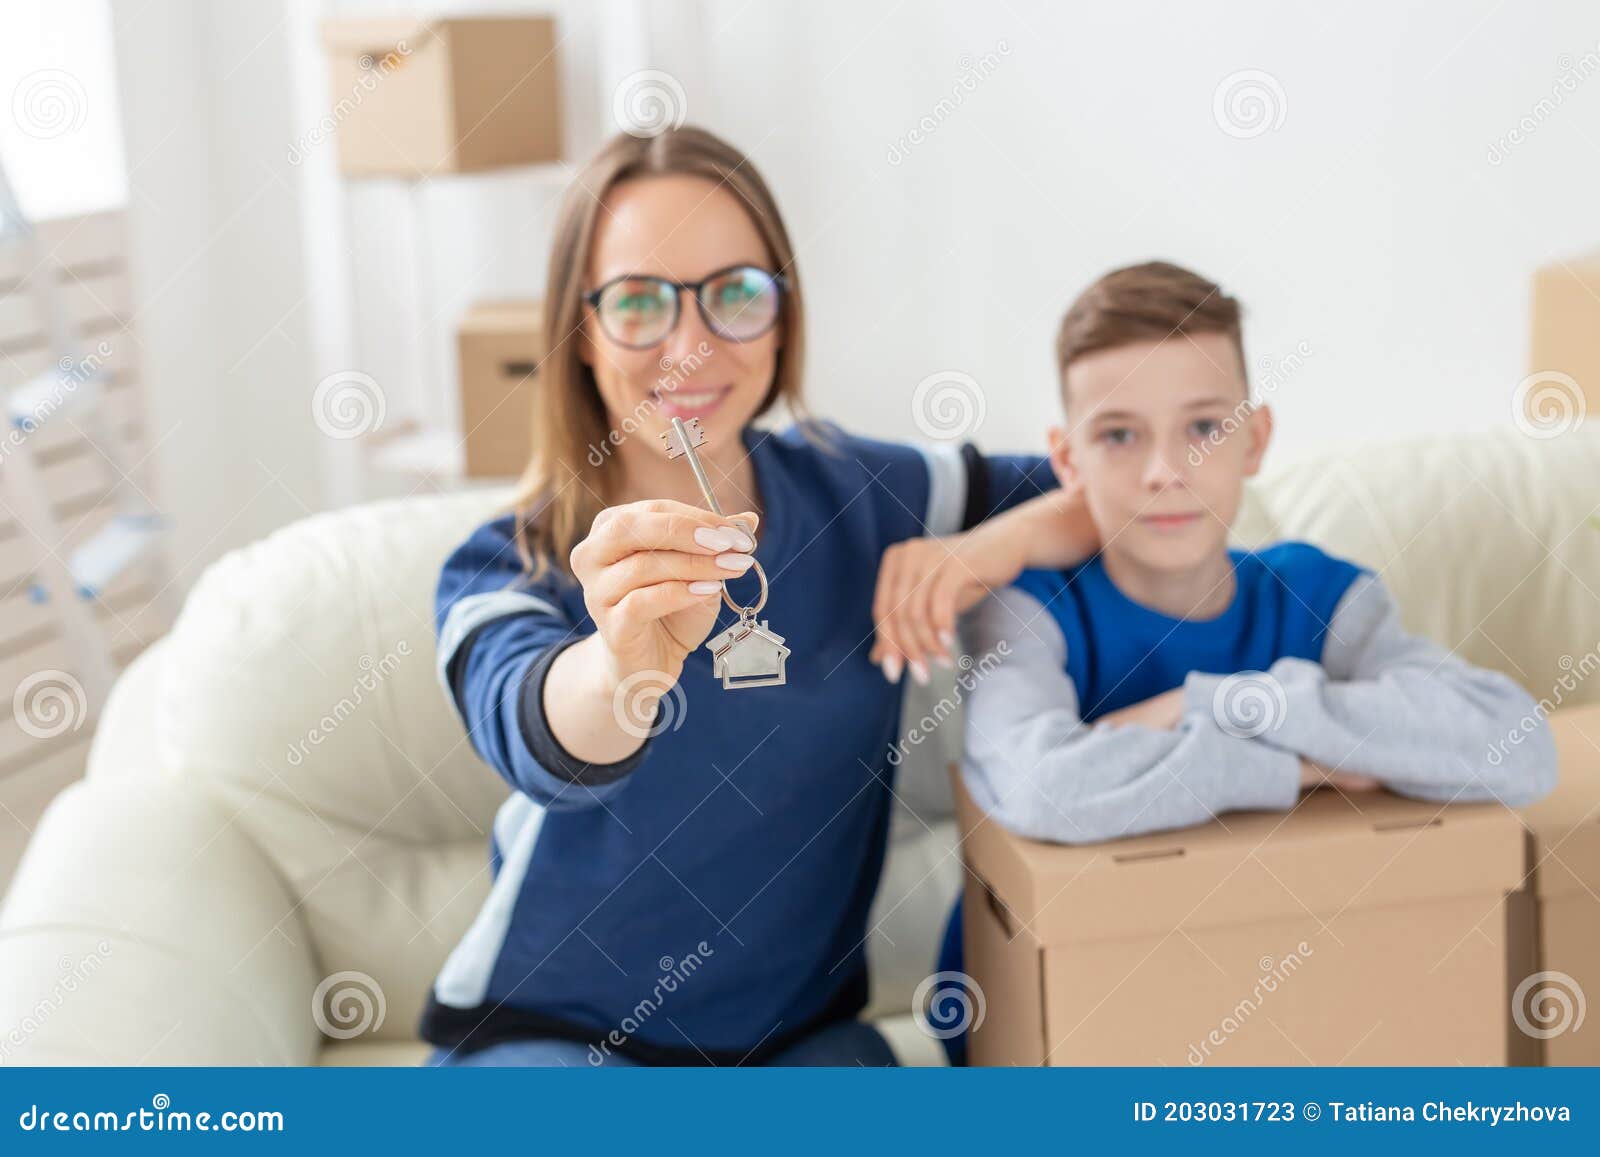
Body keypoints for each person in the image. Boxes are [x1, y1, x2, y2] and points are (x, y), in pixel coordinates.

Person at [420, 125, 1086, 1067]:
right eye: (641, 301)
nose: (691, 348)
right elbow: (533, 728)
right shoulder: (504, 563)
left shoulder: (870, 496)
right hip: (554, 1042)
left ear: (783, 313)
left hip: (799, 1049)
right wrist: (619, 669)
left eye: (735, 294)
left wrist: (996, 542)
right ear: (581, 331)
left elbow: (1117, 493)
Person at [881, 260, 1558, 1064]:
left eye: (1203, 427)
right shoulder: (1027, 608)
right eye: (1120, 434)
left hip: (1276, 1011)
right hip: (1042, 1029)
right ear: (1067, 459)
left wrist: (1226, 704)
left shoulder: (1318, 593)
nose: (1166, 470)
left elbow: (1517, 744)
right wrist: (1299, 764)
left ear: (1255, 439)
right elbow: (1040, 783)